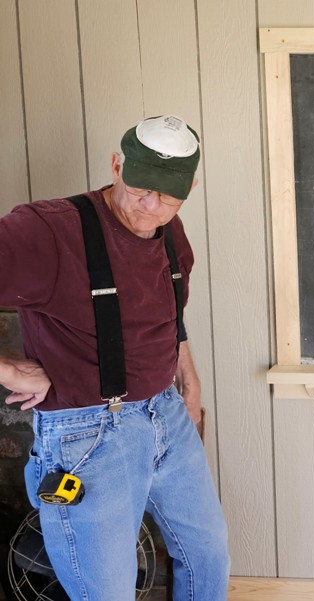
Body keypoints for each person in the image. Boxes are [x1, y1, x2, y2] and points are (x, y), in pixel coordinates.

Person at [0, 116, 230, 600]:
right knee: (107, 591)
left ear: (191, 186)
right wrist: (7, 368)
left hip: (164, 413)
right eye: (140, 188)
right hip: (88, 433)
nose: (151, 206)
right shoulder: (46, 231)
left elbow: (170, 311)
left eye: (168, 196)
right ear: (116, 164)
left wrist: (189, 379)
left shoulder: (171, 230)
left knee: (207, 554)